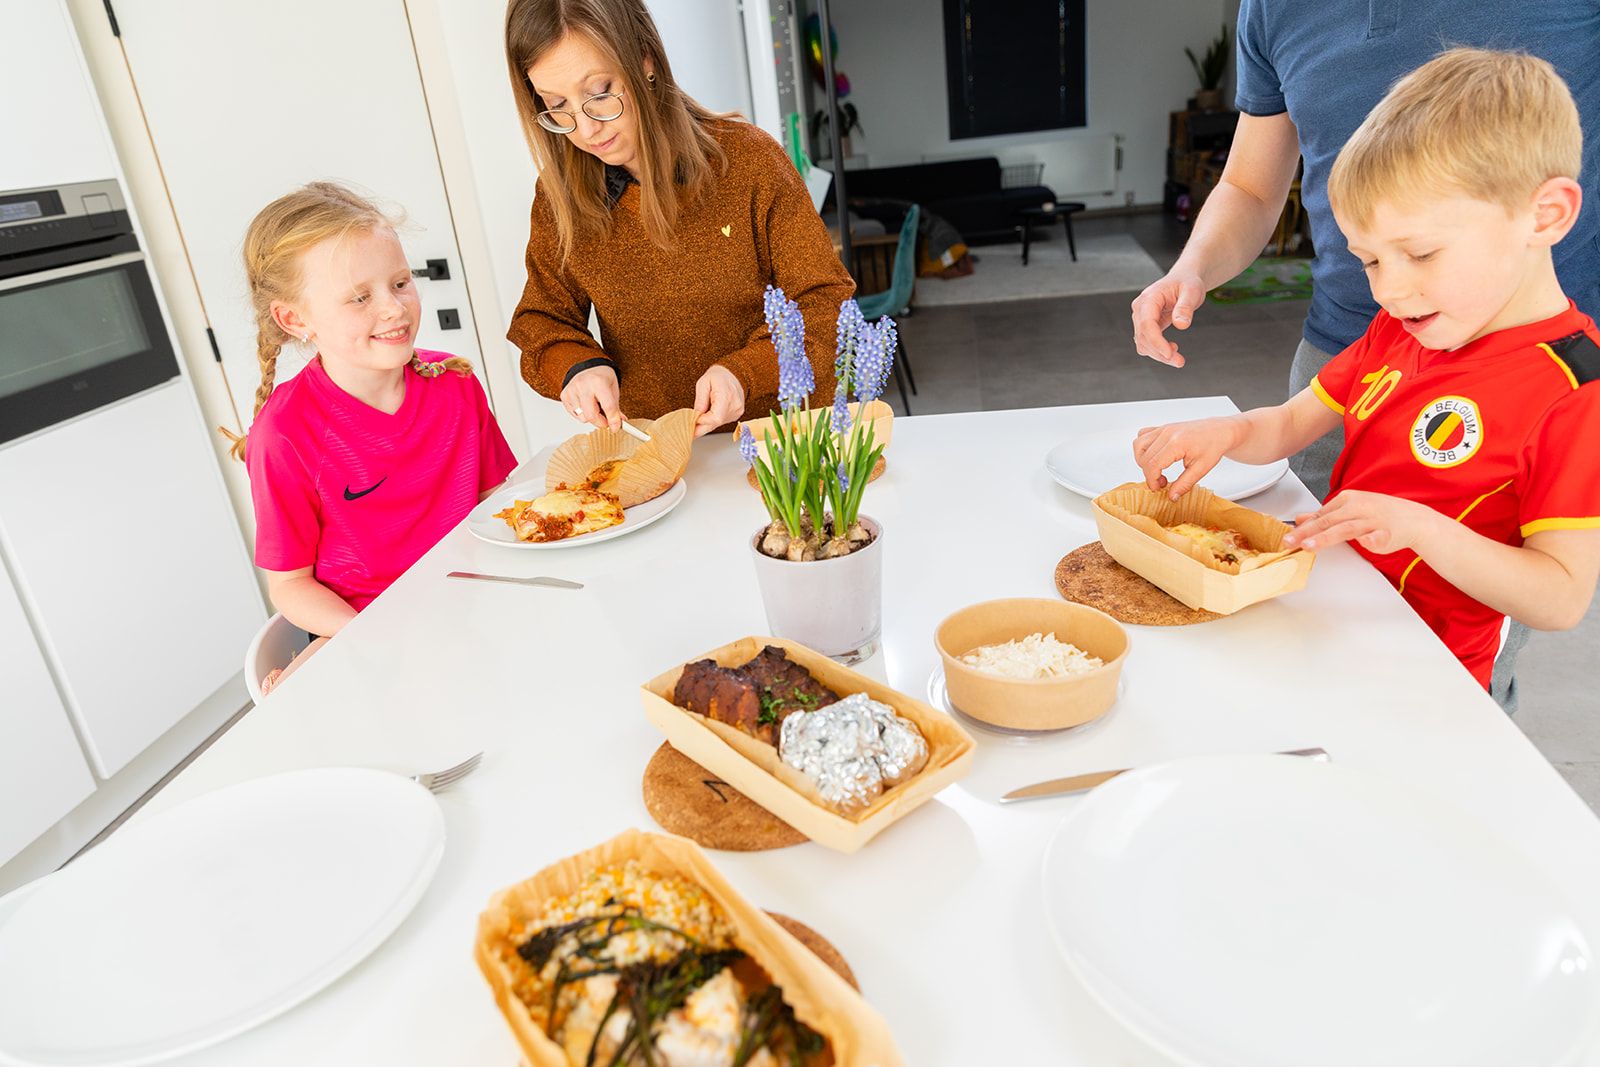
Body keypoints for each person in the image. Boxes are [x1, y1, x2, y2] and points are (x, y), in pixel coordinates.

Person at [1131, 3, 1600, 710]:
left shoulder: (1573, 390)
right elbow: (1293, 423)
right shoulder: (1396, 329)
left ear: (1546, 215)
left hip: (1445, 695)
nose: (1392, 288)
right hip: (1342, 647)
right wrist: (1227, 433)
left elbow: (1560, 596)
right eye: (1369, 261)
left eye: (1419, 253)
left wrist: (1415, 527)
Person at [504, 0, 853, 438]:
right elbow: (541, 321)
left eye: (599, 92)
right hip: (670, 459)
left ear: (646, 60)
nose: (586, 128)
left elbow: (826, 305)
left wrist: (744, 373)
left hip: (789, 442)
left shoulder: (749, 162)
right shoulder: (560, 198)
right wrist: (577, 368)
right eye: (558, 104)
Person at [223, 183, 517, 691]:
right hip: (376, 639)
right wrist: (373, 638)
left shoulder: (455, 381)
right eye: (360, 297)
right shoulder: (285, 434)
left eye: (401, 283)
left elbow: (499, 509)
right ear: (295, 319)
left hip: (479, 612)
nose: (393, 309)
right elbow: (291, 585)